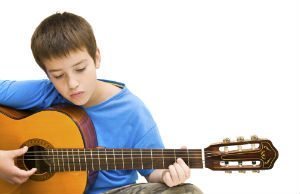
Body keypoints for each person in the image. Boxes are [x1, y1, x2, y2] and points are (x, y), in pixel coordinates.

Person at [0, 12, 202, 194]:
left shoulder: (132, 111)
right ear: (47, 75)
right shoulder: (45, 92)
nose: (72, 83)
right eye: (58, 75)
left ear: (96, 58)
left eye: (80, 69)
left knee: (186, 192)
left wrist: (168, 174)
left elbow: (153, 172)